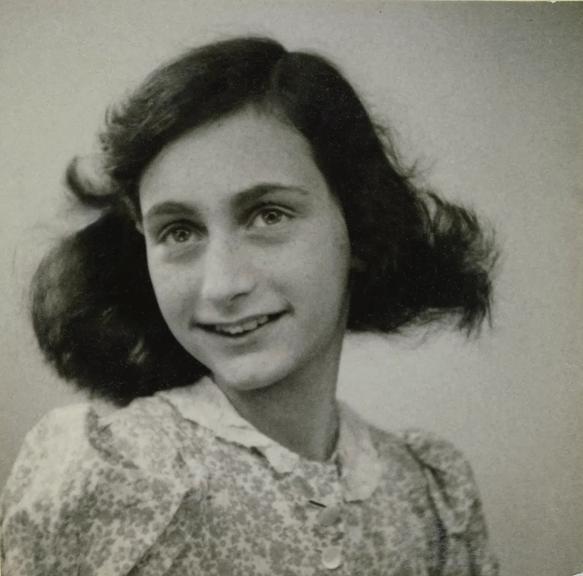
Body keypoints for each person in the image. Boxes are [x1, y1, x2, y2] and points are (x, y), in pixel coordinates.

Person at [0, 36, 499, 575]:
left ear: (359, 225)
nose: (222, 285)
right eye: (179, 231)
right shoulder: (115, 476)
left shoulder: (425, 496)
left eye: (268, 216)